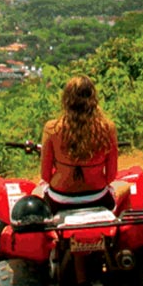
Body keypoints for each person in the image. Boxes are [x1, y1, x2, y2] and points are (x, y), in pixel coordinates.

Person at [39, 75, 120, 213]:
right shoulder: (107, 128)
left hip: (59, 200)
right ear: (93, 99)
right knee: (125, 187)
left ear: (66, 99)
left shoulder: (52, 128)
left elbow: (45, 176)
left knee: (36, 190)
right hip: (97, 198)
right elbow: (111, 176)